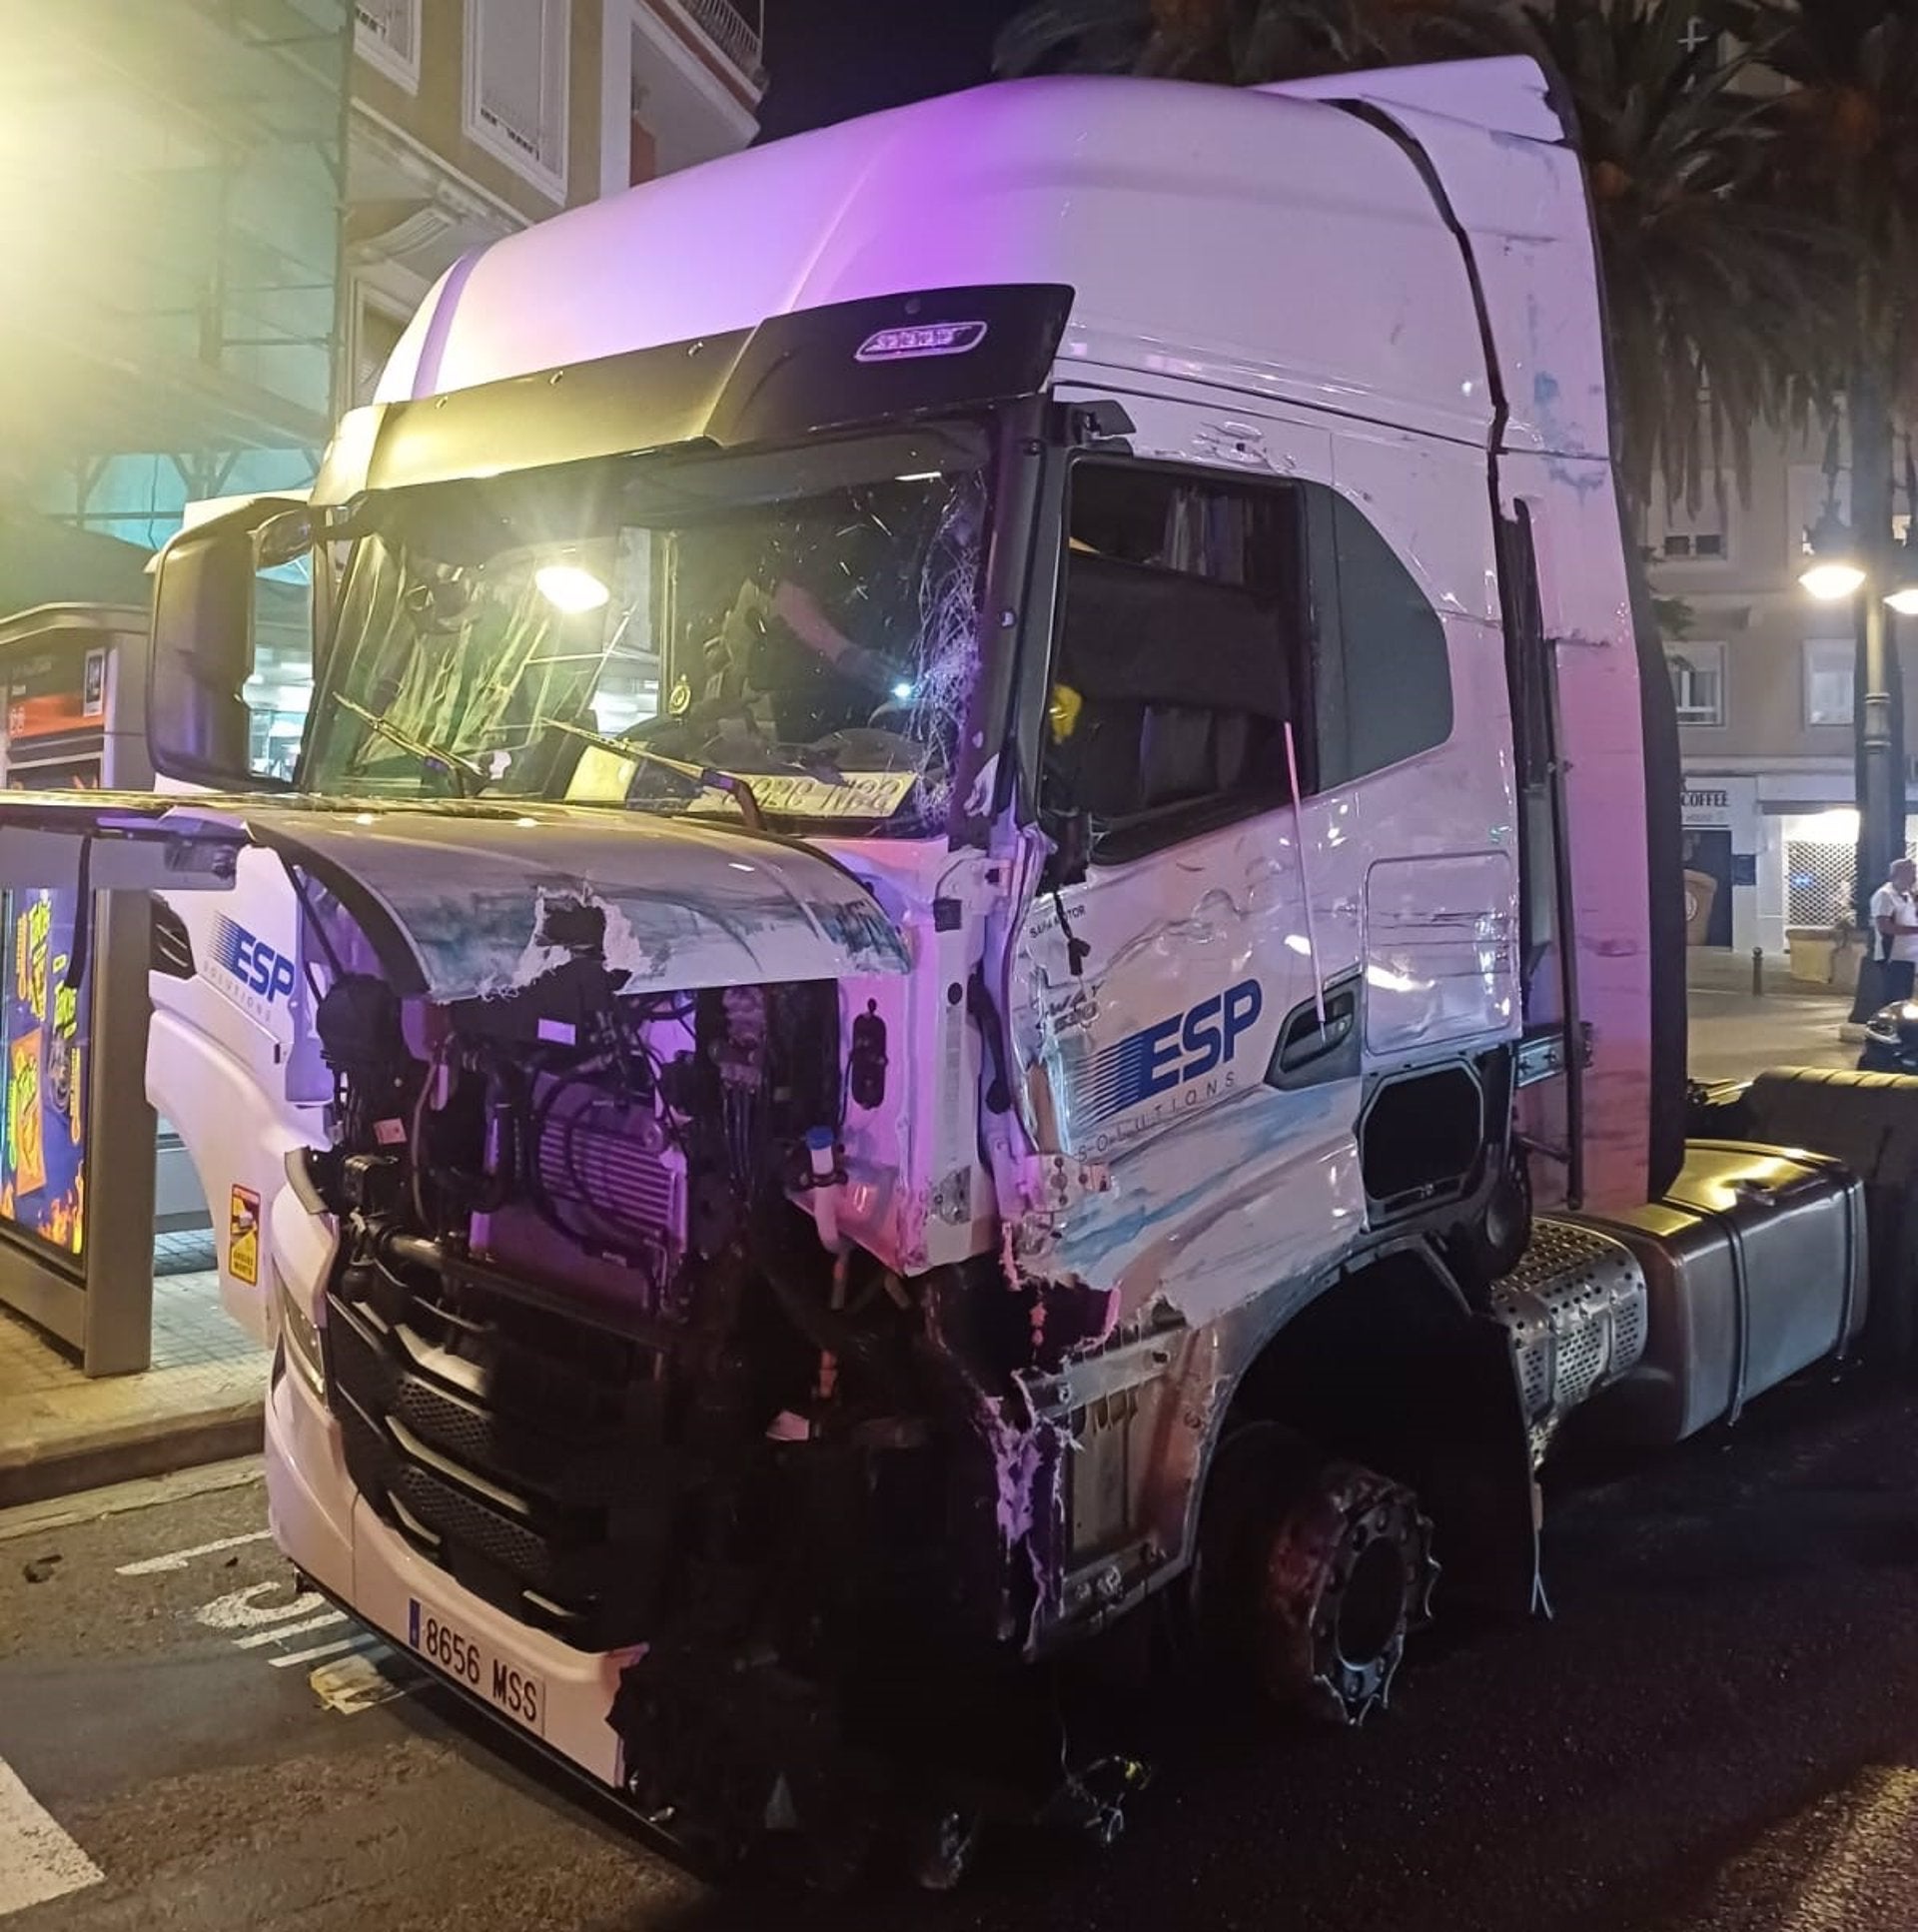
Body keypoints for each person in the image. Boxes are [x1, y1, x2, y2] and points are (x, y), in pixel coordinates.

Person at [1870, 857, 1918, 1003]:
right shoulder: (1885, 895)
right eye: (1911, 873)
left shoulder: (1907, 895)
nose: (1914, 878)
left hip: (1909, 956)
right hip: (1893, 956)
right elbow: (1885, 926)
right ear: (1899, 874)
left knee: (1905, 1000)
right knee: (1893, 998)